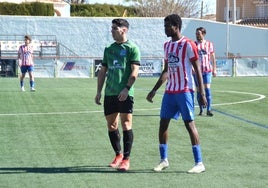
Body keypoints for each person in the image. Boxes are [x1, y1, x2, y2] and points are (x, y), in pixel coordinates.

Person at [146, 14, 207, 174]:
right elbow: (166, 70)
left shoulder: (188, 44)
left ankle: (199, 162)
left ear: (176, 27)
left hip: (185, 90)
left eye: (167, 26)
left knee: (189, 124)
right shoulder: (167, 46)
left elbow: (197, 68)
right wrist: (154, 89)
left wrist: (201, 92)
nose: (165, 29)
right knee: (163, 124)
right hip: (170, 91)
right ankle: (163, 160)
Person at [95, 18, 141, 172]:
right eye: (112, 28)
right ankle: (118, 155)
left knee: (126, 124)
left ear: (124, 30)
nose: (112, 30)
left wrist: (127, 88)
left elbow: (135, 71)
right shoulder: (108, 49)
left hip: (125, 92)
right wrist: (98, 92)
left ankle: (126, 159)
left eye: (115, 28)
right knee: (111, 125)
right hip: (110, 93)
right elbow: (103, 71)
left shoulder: (132, 48)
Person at [194, 27, 216, 116]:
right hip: (197, 71)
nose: (197, 35)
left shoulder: (209, 44)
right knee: (199, 91)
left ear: (203, 34)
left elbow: (213, 57)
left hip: (207, 70)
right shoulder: (194, 44)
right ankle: (201, 110)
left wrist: (214, 69)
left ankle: (209, 109)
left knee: (207, 89)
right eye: (196, 34)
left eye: (198, 34)